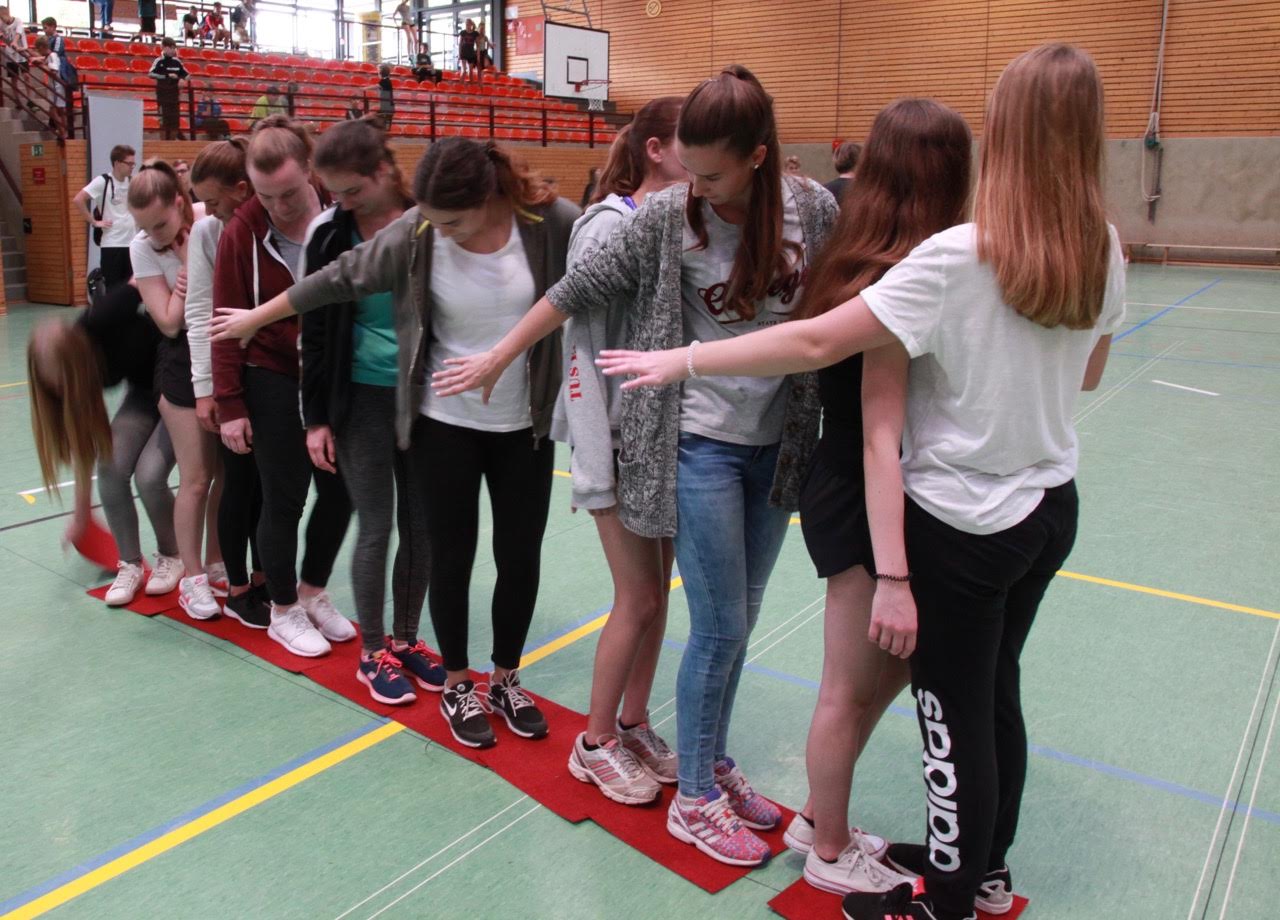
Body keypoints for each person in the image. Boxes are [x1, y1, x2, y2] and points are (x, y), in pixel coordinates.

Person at [595, 44, 1125, 920]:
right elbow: (1089, 372)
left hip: (959, 513)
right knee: (975, 697)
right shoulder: (1094, 246)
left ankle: (944, 882)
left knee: (951, 709)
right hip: (1033, 506)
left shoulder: (956, 258)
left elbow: (817, 350)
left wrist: (682, 358)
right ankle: (927, 861)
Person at [429, 65, 838, 867]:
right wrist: (500, 356)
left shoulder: (811, 209)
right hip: (699, 442)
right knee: (716, 626)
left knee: (742, 620)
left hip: (778, 444)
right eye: (690, 169)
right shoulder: (666, 216)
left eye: (713, 174)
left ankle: (711, 760)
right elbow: (575, 291)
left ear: (759, 157)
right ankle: (693, 798)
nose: (696, 187)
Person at [211, 137, 580, 748]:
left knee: (520, 555)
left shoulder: (549, 223)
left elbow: (591, 281)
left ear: (487, 197)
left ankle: (505, 679)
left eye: (452, 223)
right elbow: (338, 278)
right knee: (449, 553)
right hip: (443, 422)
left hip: (525, 423)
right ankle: (458, 684)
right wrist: (256, 317)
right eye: (431, 221)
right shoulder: (420, 228)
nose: (440, 233)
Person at [764, 100, 970, 899]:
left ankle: (821, 813)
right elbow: (879, 424)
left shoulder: (874, 256)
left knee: (889, 672)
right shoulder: (894, 275)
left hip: (869, 485)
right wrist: (892, 570)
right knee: (848, 688)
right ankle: (828, 847)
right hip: (857, 490)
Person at [553, 96, 687, 806]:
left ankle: (634, 722)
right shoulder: (606, 226)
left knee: (656, 596)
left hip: (657, 438)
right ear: (657, 148)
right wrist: (593, 458)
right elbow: (578, 347)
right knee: (635, 596)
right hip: (613, 440)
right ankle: (594, 739)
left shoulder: (674, 222)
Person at [293, 117, 445, 704]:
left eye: (353, 190)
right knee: (376, 524)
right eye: (334, 192)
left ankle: (406, 640)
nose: (343, 202)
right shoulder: (329, 235)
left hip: (424, 395)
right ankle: (372, 651)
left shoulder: (429, 221)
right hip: (359, 397)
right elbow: (314, 332)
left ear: (383, 171)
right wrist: (315, 418)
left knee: (422, 524)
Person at [210, 116, 354, 657]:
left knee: (340, 492)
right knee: (284, 496)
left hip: (334, 375)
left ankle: (313, 592)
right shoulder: (241, 231)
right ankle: (284, 607)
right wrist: (230, 403)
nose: (279, 207)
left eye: (289, 193)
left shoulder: (341, 217)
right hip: (270, 373)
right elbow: (224, 321)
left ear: (310, 170)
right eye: (266, 196)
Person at [28, 284, 180, 608]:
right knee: (110, 467)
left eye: (64, 383)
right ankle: (131, 564)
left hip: (178, 388)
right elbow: (85, 440)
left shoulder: (105, 315)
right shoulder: (67, 377)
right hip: (143, 394)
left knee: (149, 476)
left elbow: (145, 280)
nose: (62, 391)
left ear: (76, 359)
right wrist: (81, 514)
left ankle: (172, 555)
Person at [128, 160, 225, 621]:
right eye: (143, 227)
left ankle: (216, 561)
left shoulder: (209, 219)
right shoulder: (142, 248)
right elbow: (167, 322)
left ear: (181, 204)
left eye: (160, 224)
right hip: (180, 361)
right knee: (196, 477)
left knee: (227, 474)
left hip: (224, 351)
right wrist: (189, 275)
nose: (152, 235)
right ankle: (192, 579)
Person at [188, 138, 270, 629]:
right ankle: (238, 587)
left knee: (271, 483)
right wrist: (207, 389)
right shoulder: (207, 232)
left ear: (242, 189)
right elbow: (201, 311)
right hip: (230, 376)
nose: (208, 210)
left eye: (213, 201)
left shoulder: (271, 220)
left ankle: (265, 577)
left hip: (274, 374)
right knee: (240, 480)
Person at [73, 145, 137, 290]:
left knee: (131, 289)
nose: (132, 167)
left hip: (131, 243)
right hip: (112, 244)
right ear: (117, 163)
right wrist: (94, 222)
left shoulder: (132, 181)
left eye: (134, 164)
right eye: (129, 163)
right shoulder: (103, 181)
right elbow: (78, 199)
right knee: (113, 289)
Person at [148, 37, 190, 141]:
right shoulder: (159, 61)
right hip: (163, 97)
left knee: (175, 123)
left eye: (174, 48)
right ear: (164, 48)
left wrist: (182, 79)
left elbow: (187, 75)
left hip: (174, 97)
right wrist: (166, 76)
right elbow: (151, 74)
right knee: (163, 122)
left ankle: (171, 144)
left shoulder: (177, 62)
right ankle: (163, 145)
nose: (173, 50)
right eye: (170, 48)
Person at [32, 36, 66, 135]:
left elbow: (53, 71)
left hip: (56, 87)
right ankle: (64, 132)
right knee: (60, 111)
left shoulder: (52, 56)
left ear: (42, 47)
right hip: (57, 86)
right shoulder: (51, 56)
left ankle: (62, 132)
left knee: (53, 111)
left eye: (39, 50)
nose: (39, 52)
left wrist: (41, 65)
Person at [0, 7, 30, 103]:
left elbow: (18, 33)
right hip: (10, 54)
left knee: (26, 76)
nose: (3, 20)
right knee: (14, 78)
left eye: (3, 17)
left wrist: (15, 42)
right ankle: (17, 100)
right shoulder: (1, 24)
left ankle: (29, 99)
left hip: (21, 52)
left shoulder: (17, 21)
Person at [457, 19, 479, 83]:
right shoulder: (462, 32)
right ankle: (460, 85)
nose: (467, 25)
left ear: (471, 25)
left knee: (471, 71)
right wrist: (459, 54)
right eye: (466, 24)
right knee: (464, 71)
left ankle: (472, 86)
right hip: (463, 53)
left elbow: (478, 45)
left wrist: (478, 55)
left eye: (468, 24)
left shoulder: (475, 33)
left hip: (471, 53)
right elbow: (460, 44)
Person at [376, 64, 394, 130]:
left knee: (385, 125)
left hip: (387, 106)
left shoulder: (385, 81)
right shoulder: (386, 80)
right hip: (386, 105)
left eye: (379, 71)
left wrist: (364, 88)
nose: (378, 73)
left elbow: (377, 86)